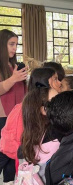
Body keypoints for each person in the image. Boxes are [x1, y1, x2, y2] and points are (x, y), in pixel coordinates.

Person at [0, 29, 28, 184]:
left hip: (16, 116)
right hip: (3, 117)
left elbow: (22, 91)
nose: (14, 48)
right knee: (4, 151)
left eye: (16, 45)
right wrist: (13, 79)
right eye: (11, 44)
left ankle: (9, 181)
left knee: (14, 151)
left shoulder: (13, 66)